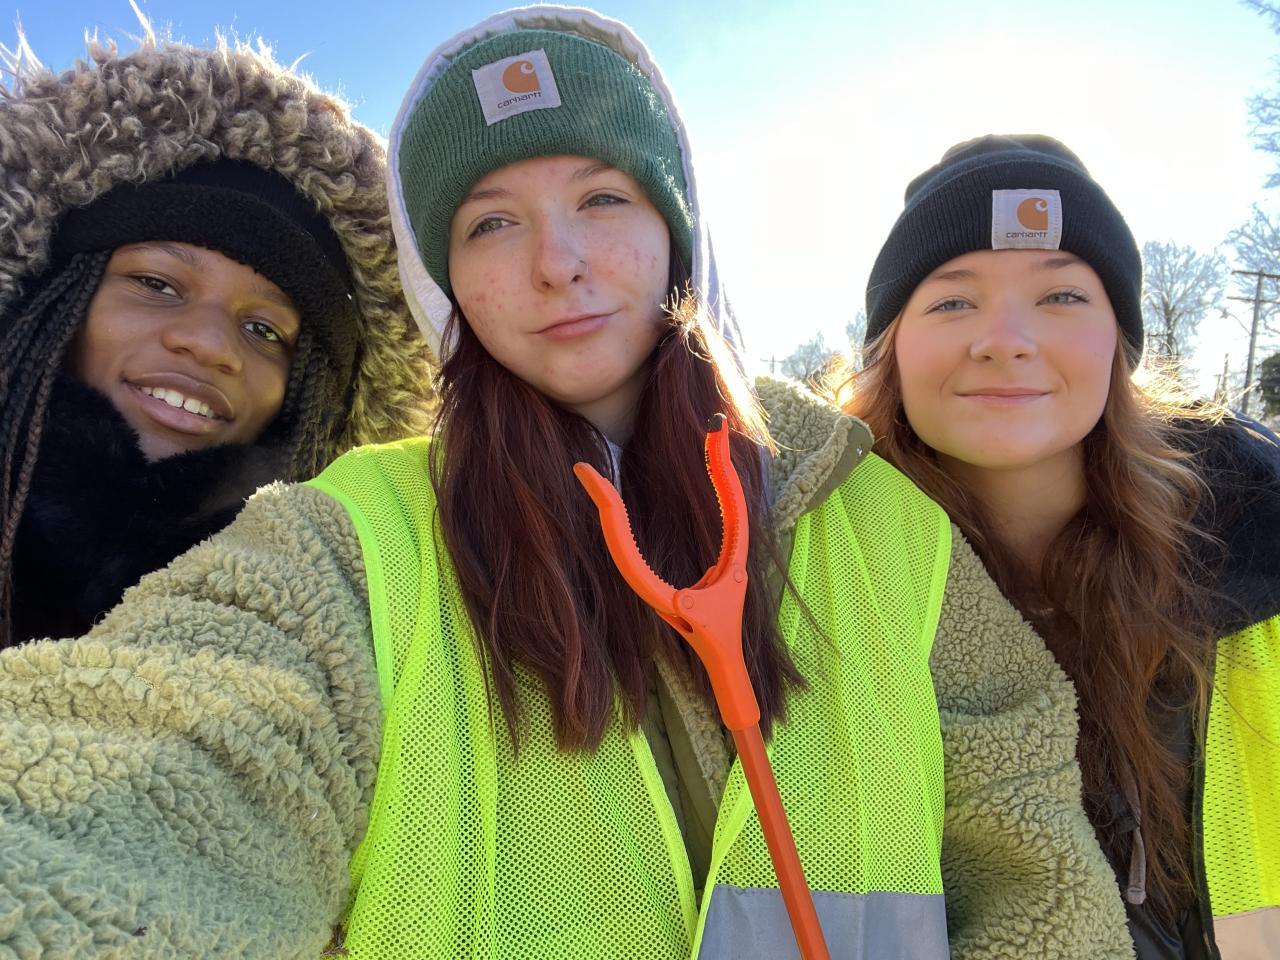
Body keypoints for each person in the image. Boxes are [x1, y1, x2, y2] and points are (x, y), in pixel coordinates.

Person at [0, 15, 1133, 959]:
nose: (557, 263)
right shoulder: (348, 543)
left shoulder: (887, 526)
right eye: (492, 222)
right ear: (445, 283)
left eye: (602, 199)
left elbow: (1036, 871)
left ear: (676, 231)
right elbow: (153, 780)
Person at [845, 133, 1280, 959]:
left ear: (1119, 342)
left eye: (1062, 296)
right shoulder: (809, 578)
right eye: (952, 302)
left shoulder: (1256, 568)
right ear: (890, 349)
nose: (1005, 338)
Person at [0, 27, 433, 646]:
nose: (209, 345)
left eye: (264, 329)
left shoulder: (363, 627)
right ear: (52, 298)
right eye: (156, 283)